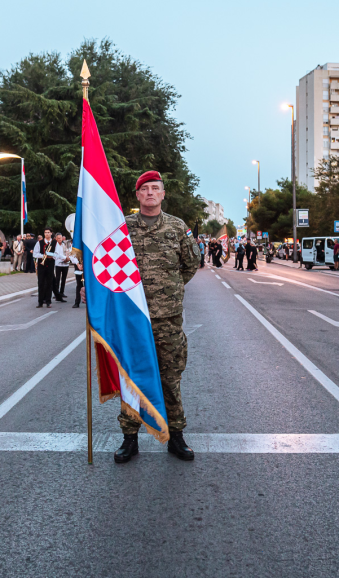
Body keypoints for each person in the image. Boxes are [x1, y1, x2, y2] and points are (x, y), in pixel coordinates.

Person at [113, 170, 200, 465]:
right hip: (134, 319)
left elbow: (191, 264)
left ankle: (176, 436)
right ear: (137, 196)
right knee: (132, 378)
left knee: (170, 379)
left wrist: (169, 291)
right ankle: (129, 439)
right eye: (145, 189)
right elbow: (110, 267)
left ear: (163, 194)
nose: (150, 193)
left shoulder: (177, 228)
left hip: (167, 319)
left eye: (155, 188)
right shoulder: (122, 228)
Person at [33, 229, 55, 307]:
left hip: (50, 264)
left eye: (48, 232)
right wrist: (44, 256)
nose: (47, 234)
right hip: (41, 265)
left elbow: (58, 254)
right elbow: (35, 254)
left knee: (49, 283)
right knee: (41, 283)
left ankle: (48, 301)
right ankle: (40, 302)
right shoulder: (39, 242)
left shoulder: (54, 243)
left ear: (51, 233)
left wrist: (53, 256)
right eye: (45, 232)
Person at [52, 232, 69, 302]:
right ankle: (57, 294)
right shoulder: (55, 245)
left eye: (61, 238)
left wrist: (67, 258)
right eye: (58, 238)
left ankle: (62, 292)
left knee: (64, 279)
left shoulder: (64, 245)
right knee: (57, 279)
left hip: (65, 264)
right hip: (58, 263)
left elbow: (67, 252)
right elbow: (55, 255)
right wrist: (63, 258)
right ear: (56, 238)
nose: (60, 239)